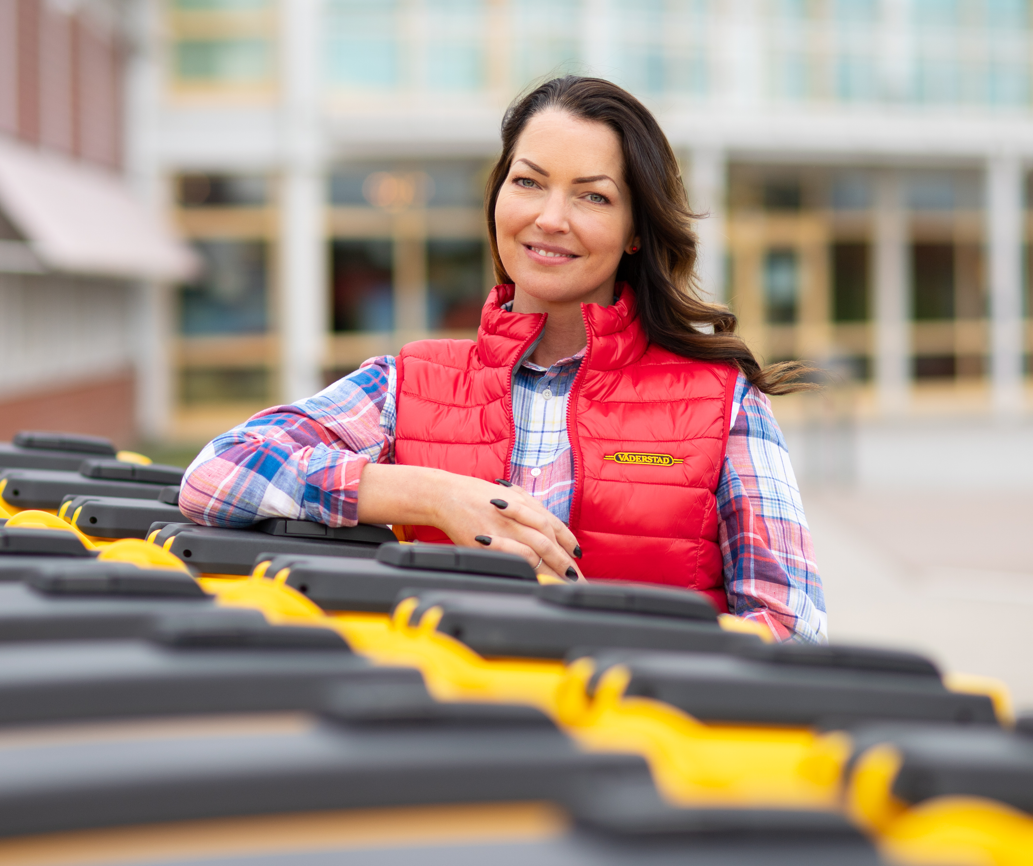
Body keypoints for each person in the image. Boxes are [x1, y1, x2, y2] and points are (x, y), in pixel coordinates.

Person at [179, 76, 826, 642]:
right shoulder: (406, 385)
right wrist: (432, 495)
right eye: (529, 182)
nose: (550, 217)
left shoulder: (723, 400)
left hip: (632, 750)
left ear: (636, 230)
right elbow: (216, 475)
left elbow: (788, 627)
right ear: (497, 199)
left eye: (592, 196)